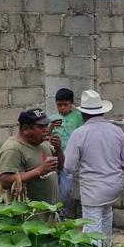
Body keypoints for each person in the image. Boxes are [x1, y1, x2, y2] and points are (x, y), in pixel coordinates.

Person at [64, 90, 124, 247]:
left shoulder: (79, 134)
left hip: (92, 188)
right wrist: (113, 169)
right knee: (106, 216)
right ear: (102, 111)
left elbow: (69, 166)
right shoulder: (116, 130)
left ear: (83, 114)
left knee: (92, 225)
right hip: (113, 185)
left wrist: (81, 173)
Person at [0, 108, 63, 205]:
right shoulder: (12, 149)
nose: (46, 130)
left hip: (50, 211)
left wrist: (58, 150)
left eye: (46, 125)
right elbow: (5, 181)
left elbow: (60, 166)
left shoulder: (43, 143)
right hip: (30, 214)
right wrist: (40, 171)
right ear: (25, 129)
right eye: (41, 127)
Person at [53, 88, 84, 216]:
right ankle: (60, 214)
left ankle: (66, 214)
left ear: (71, 104)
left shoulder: (78, 117)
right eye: (59, 105)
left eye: (65, 105)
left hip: (72, 158)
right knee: (58, 188)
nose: (62, 108)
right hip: (56, 158)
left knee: (68, 189)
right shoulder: (52, 118)